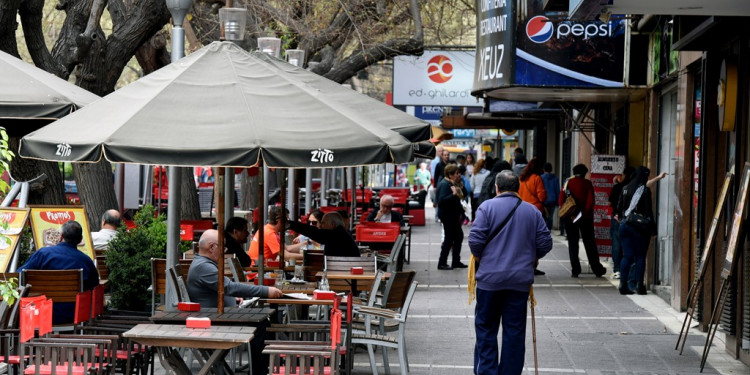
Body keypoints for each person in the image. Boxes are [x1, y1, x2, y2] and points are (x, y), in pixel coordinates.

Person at [469, 170, 553, 375]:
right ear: (518, 188)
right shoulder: (532, 211)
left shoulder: (486, 207)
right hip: (519, 282)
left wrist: (483, 257)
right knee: (514, 332)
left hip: (490, 281)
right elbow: (545, 243)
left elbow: (475, 241)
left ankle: (487, 372)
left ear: (496, 188)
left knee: (486, 329)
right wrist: (531, 258)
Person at [186, 229, 282, 375]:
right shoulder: (204, 266)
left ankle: (263, 368)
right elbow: (230, 287)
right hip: (212, 319)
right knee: (261, 323)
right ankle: (261, 371)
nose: (225, 251)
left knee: (261, 319)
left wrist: (232, 299)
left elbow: (221, 289)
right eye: (223, 247)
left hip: (215, 314)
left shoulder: (202, 263)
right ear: (212, 247)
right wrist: (265, 291)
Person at [18, 221, 100, 324]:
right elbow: (94, 290)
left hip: (40, 312)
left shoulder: (43, 254)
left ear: (61, 237)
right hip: (74, 316)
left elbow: (20, 275)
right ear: (79, 240)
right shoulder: (86, 261)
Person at [559, 164, 607, 278]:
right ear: (585, 173)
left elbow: (561, 200)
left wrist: (570, 213)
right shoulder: (587, 184)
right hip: (586, 218)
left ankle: (575, 269)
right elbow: (591, 202)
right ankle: (597, 269)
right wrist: (583, 214)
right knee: (589, 243)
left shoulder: (567, 183)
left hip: (570, 218)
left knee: (573, 243)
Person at [615, 166, 656, 295]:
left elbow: (619, 209)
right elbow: (649, 211)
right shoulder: (644, 190)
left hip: (624, 226)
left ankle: (623, 284)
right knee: (640, 256)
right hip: (639, 228)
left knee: (626, 256)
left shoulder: (625, 188)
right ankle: (639, 286)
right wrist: (652, 229)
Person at [435, 164, 469, 270]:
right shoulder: (445, 184)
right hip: (447, 215)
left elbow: (464, 194)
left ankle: (455, 261)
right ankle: (442, 263)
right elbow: (441, 201)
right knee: (449, 238)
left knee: (458, 236)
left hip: (453, 215)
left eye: (459, 173)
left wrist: (461, 188)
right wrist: (453, 194)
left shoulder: (453, 183)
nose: (459, 175)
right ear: (450, 175)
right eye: (456, 173)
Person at [518, 158, 547, 276]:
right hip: (536, 212)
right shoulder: (537, 178)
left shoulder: (522, 179)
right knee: (535, 240)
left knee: (524, 239)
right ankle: (533, 265)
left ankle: (523, 264)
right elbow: (542, 197)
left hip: (522, 210)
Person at [288, 212, 361, 257]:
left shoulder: (336, 235)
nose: (321, 226)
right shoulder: (341, 233)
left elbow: (314, 232)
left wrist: (290, 224)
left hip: (344, 273)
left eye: (323, 223)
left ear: (332, 224)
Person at [608, 166, 634, 279]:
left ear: (624, 175)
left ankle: (617, 270)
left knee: (617, 244)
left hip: (617, 218)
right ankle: (629, 271)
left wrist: (616, 184)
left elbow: (609, 203)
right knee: (630, 245)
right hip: (631, 219)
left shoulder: (618, 187)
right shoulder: (635, 188)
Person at [541, 163, 560, 231]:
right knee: (550, 217)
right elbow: (557, 190)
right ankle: (549, 229)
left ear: (543, 169)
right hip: (553, 199)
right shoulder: (555, 178)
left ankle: (544, 229)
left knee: (544, 216)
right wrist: (558, 202)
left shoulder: (541, 178)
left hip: (544, 200)